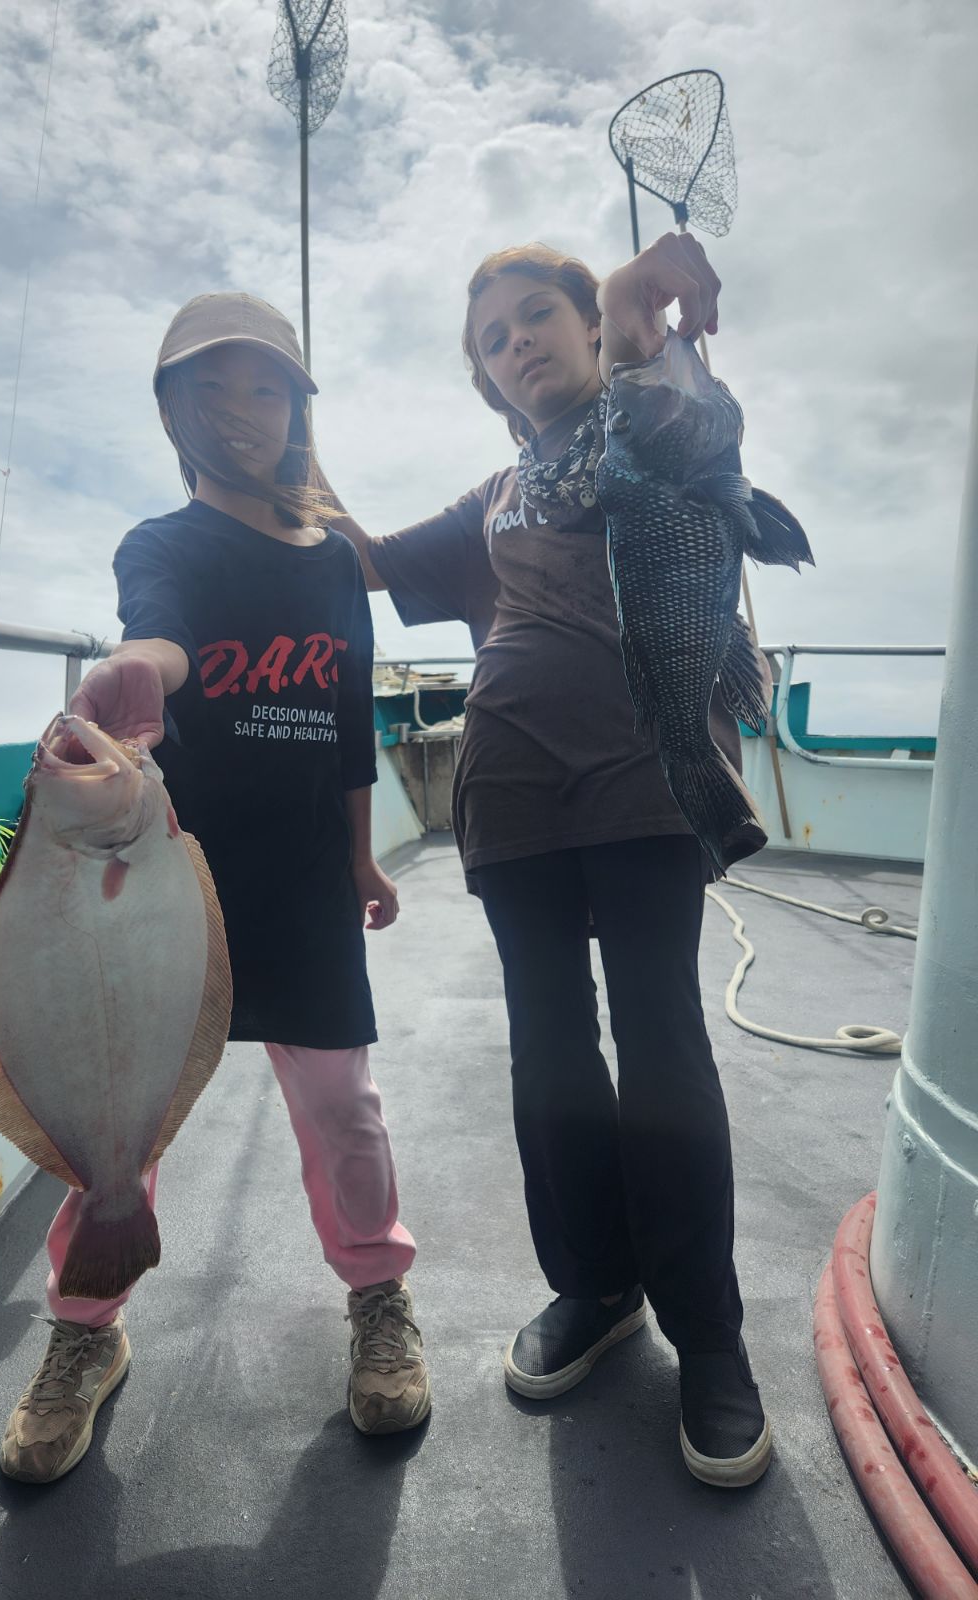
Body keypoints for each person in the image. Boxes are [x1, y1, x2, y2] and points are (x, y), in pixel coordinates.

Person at [333, 233, 772, 1489]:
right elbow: (364, 563)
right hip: (509, 791)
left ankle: (712, 1336)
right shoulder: (490, 496)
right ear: (483, 377)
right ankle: (595, 1284)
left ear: (591, 330)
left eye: (540, 317)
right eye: (493, 337)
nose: (519, 341)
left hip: (646, 778)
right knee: (551, 1052)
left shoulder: (647, 418)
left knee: (663, 1043)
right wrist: (270, 458)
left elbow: (674, 375)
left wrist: (645, 306)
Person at [0, 293, 430, 1485]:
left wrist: (358, 855)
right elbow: (165, 633)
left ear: (297, 408)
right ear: (172, 413)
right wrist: (142, 667)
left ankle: (380, 1298)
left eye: (264, 386)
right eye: (209, 388)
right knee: (119, 1122)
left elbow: (349, 722)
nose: (240, 410)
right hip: (168, 882)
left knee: (344, 1110)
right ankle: (85, 1334)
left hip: (301, 880)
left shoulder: (339, 565)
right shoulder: (165, 544)